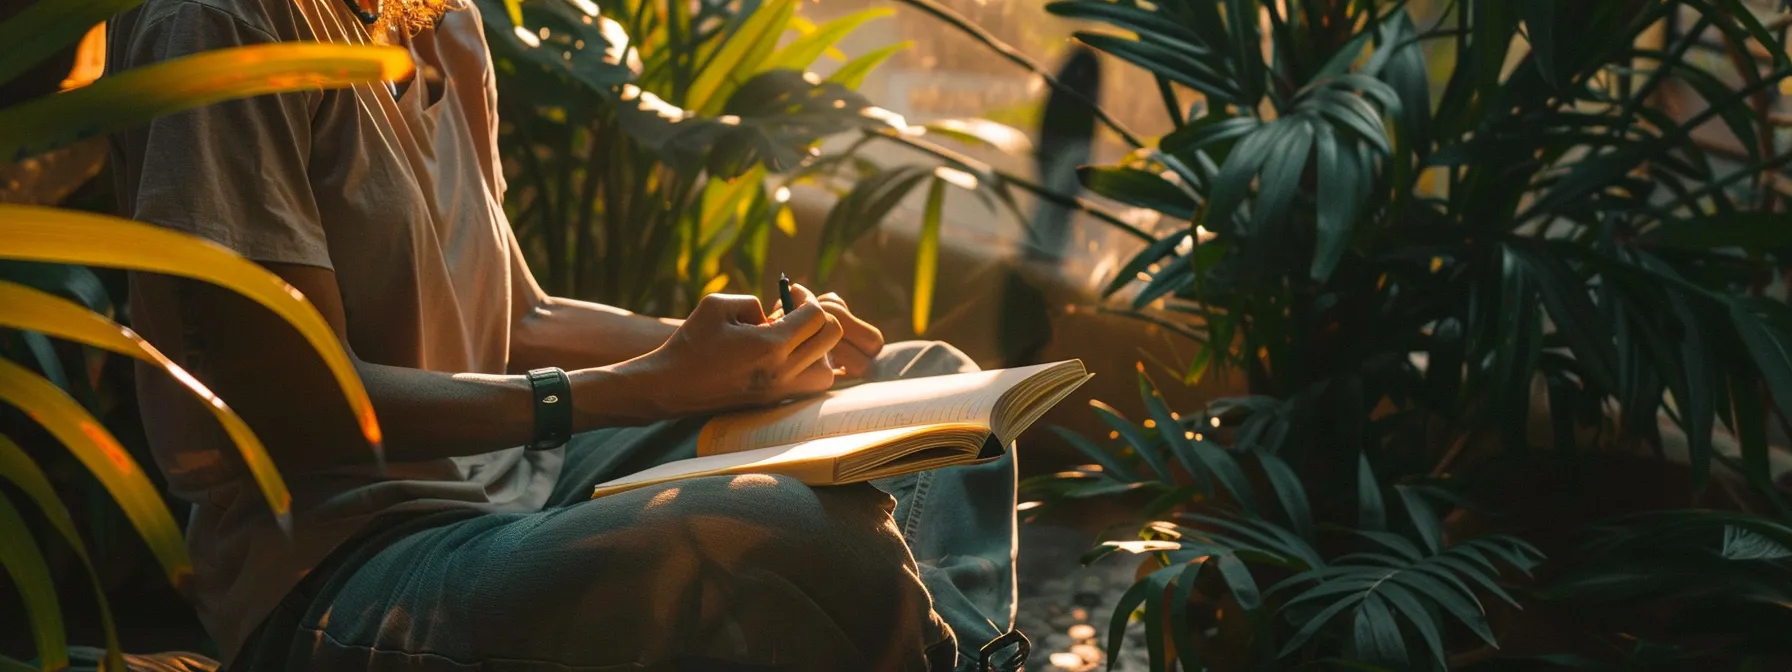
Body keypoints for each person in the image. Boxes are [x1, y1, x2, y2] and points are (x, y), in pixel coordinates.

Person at [104, 0, 1021, 668]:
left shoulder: (440, 22)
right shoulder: (222, 24)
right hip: (348, 564)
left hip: (530, 489)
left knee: (930, 391)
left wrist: (756, 355)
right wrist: (644, 386)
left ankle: (957, 660)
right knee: (787, 534)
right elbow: (295, 406)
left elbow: (520, 316)